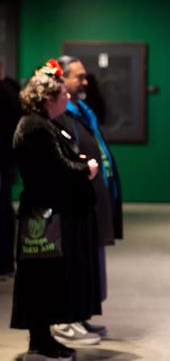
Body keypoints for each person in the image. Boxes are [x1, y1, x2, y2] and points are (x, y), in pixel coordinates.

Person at [11, 59, 101, 360]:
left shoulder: (44, 124)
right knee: (42, 281)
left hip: (51, 214)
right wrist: (85, 168)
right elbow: (55, 170)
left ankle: (45, 338)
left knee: (49, 280)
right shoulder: (35, 127)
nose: (67, 98)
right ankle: (40, 340)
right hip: (42, 217)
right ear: (48, 98)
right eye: (62, 94)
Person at [50, 55, 123, 344]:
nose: (85, 81)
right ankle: (67, 318)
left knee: (88, 261)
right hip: (75, 201)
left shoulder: (82, 110)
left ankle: (80, 314)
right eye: (78, 76)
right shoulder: (58, 115)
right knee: (74, 260)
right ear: (61, 80)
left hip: (93, 196)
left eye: (84, 76)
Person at [0, 60, 21, 278]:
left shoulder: (7, 92)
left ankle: (5, 263)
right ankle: (7, 263)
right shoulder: (14, 89)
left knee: (3, 210)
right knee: (5, 209)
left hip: (4, 160)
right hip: (9, 161)